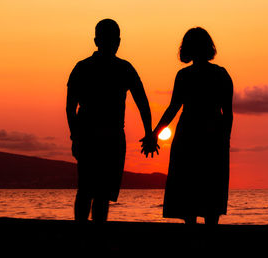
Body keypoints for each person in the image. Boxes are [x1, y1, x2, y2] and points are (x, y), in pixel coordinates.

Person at [66, 19, 158, 223]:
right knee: (97, 193)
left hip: (99, 137)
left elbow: (70, 108)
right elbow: (143, 103)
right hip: (101, 137)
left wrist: (75, 136)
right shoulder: (120, 68)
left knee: (90, 190)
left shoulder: (85, 68)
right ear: (116, 41)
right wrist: (149, 133)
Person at [142, 27, 233, 225]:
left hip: (191, 134)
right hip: (209, 135)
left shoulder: (185, 75)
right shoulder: (219, 74)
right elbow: (228, 113)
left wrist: (154, 134)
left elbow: (173, 108)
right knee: (209, 193)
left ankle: (192, 237)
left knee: (189, 191)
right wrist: (225, 139)